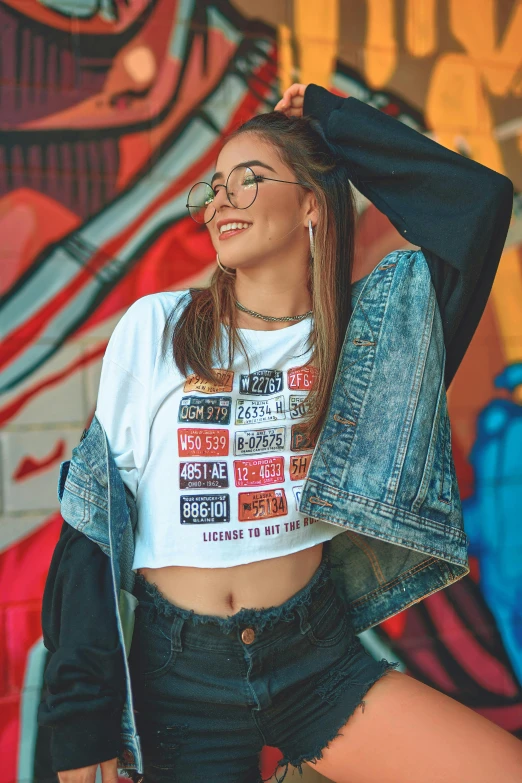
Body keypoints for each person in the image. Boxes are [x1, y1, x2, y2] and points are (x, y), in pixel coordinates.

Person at [38, 82, 522, 783]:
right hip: (181, 680)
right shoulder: (157, 328)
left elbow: (477, 208)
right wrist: (80, 720)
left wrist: (335, 121)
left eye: (249, 179)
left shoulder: (376, 340)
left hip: (316, 659)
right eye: (214, 187)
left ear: (311, 208)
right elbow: (92, 520)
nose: (222, 200)